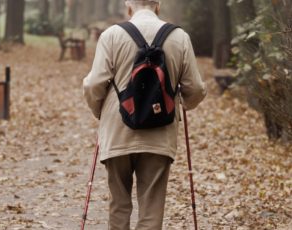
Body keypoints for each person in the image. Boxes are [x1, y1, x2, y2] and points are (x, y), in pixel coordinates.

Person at [83, 0, 206, 229]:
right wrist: (184, 104)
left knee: (118, 205)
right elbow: (196, 89)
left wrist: (99, 111)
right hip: (160, 133)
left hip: (118, 131)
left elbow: (93, 85)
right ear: (158, 4)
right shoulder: (179, 37)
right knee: (151, 209)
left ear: (128, 4)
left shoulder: (111, 36)